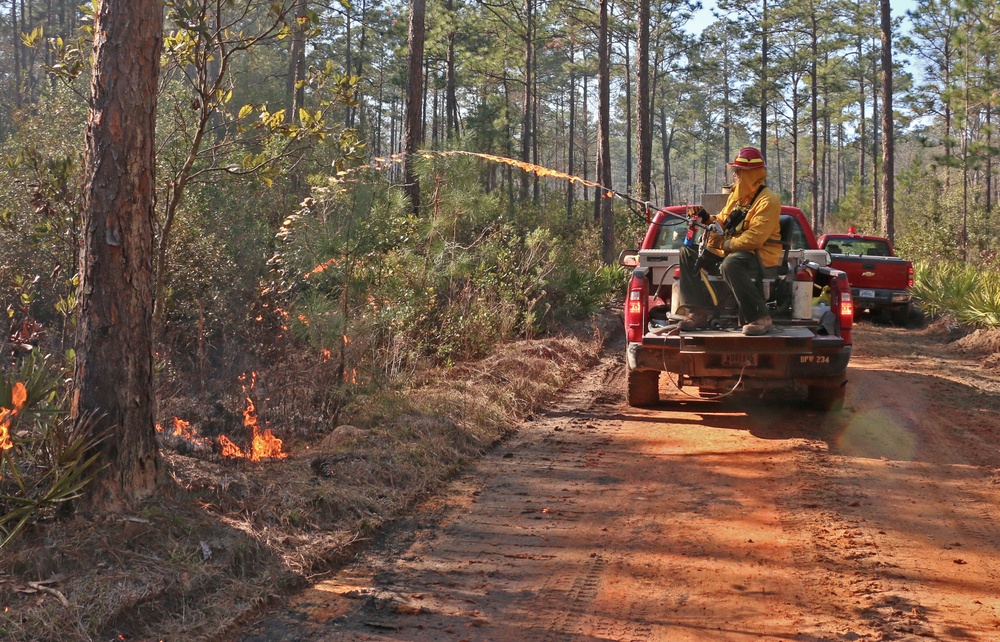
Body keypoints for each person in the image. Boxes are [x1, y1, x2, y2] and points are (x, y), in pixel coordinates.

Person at [676, 146, 782, 336]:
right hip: (734, 251)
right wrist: (706, 217)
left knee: (730, 264)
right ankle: (698, 312)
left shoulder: (768, 201)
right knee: (687, 253)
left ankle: (760, 317)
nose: (735, 176)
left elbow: (755, 239)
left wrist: (723, 244)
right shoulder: (737, 197)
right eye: (735, 172)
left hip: (759, 255)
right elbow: (723, 223)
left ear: (751, 174)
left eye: (738, 172)